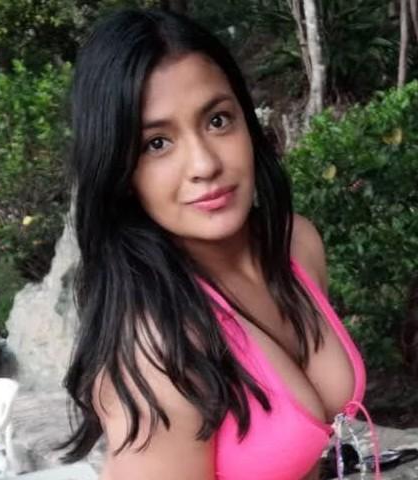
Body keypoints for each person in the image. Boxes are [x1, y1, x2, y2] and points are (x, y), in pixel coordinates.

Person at [62, 8, 378, 480]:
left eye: (217, 120)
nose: (204, 164)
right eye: (156, 143)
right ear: (120, 172)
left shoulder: (296, 244)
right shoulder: (158, 350)